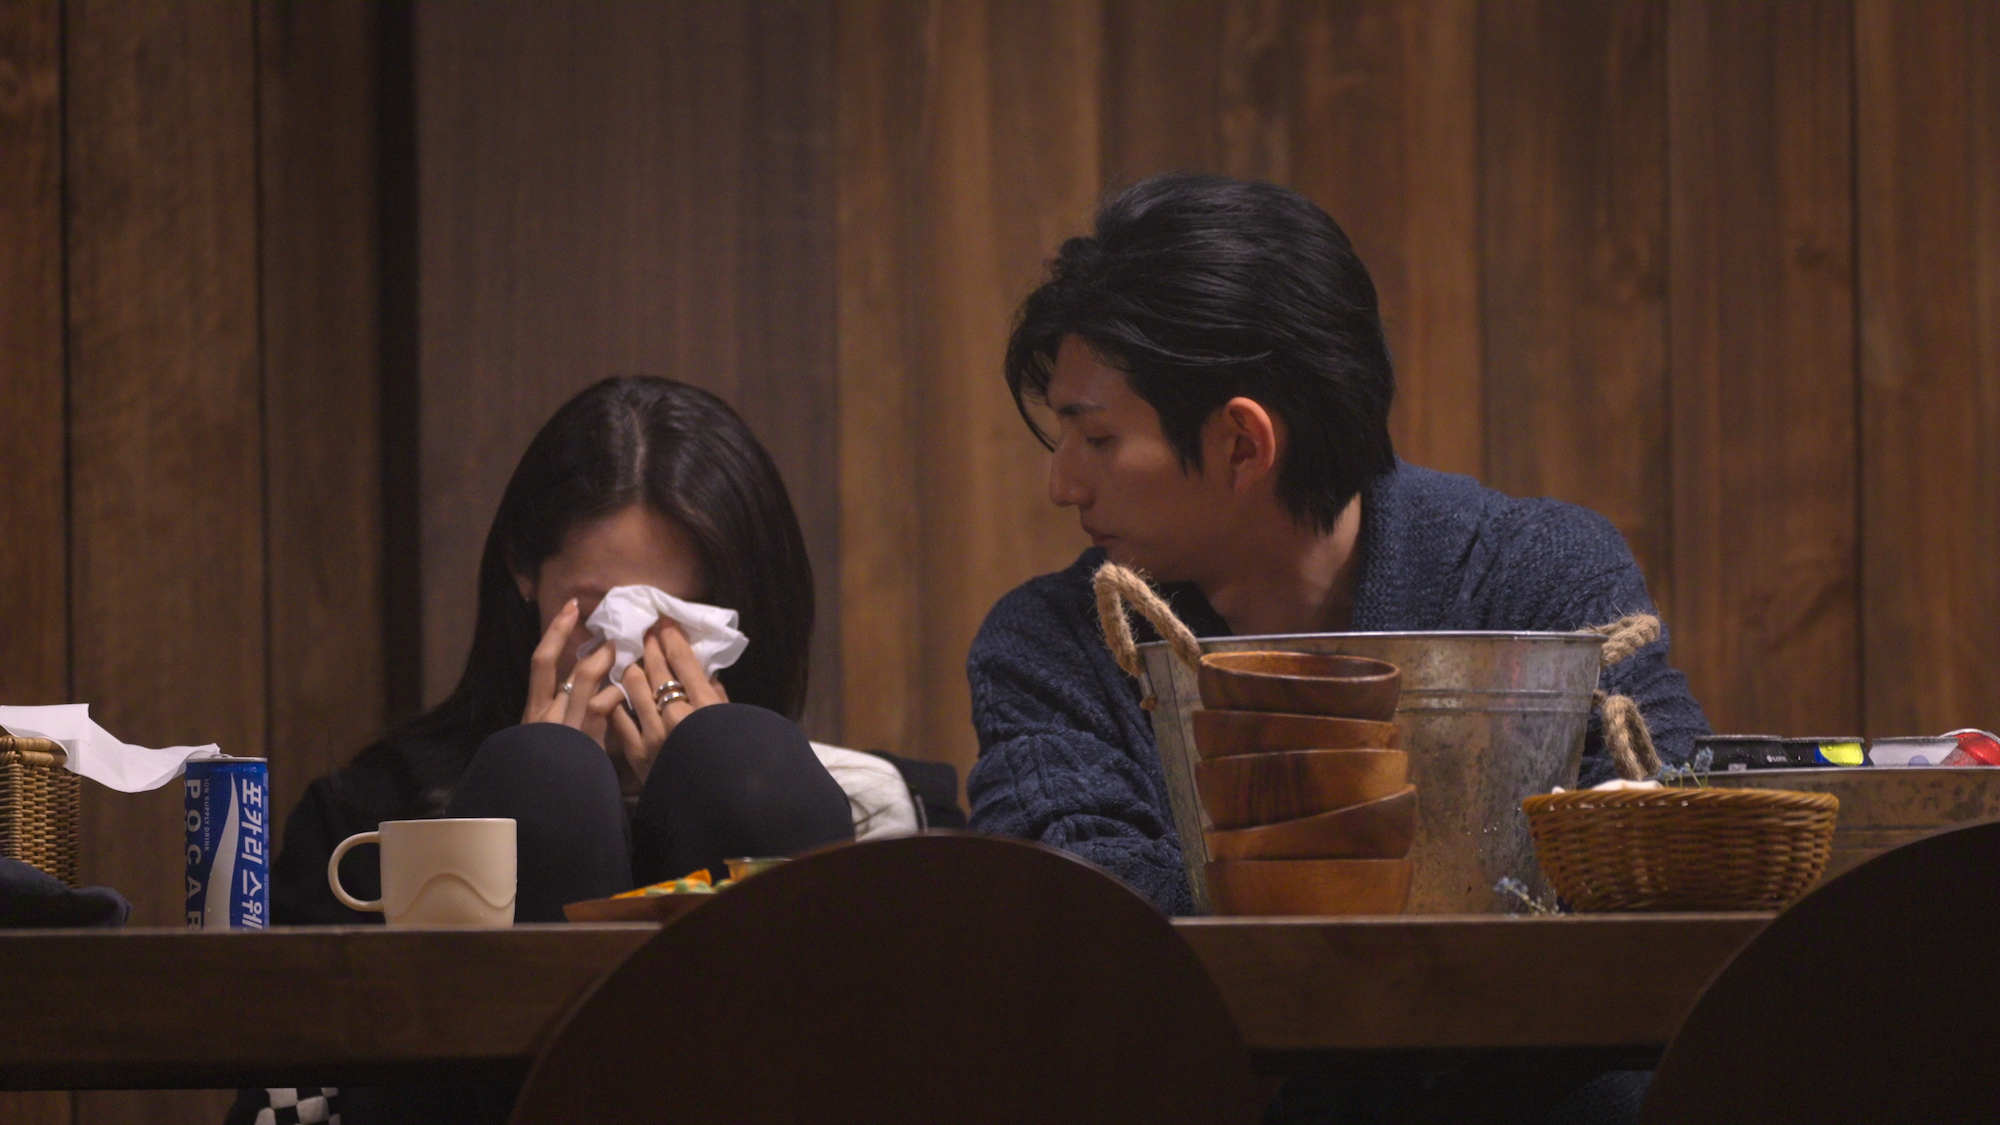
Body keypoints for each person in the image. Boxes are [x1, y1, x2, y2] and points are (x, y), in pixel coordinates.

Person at [966, 173, 1706, 1121]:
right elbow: (1093, 925)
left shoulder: (1535, 578)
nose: (1064, 485)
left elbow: (1669, 836)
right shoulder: (1053, 644)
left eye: (1098, 439)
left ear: (1243, 443)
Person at [231, 375, 951, 1125]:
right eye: (601, 612)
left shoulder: (874, 807)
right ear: (523, 570)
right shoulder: (365, 818)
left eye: (678, 620)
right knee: (541, 782)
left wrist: (724, 779)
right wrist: (538, 803)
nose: (634, 655)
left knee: (743, 770)